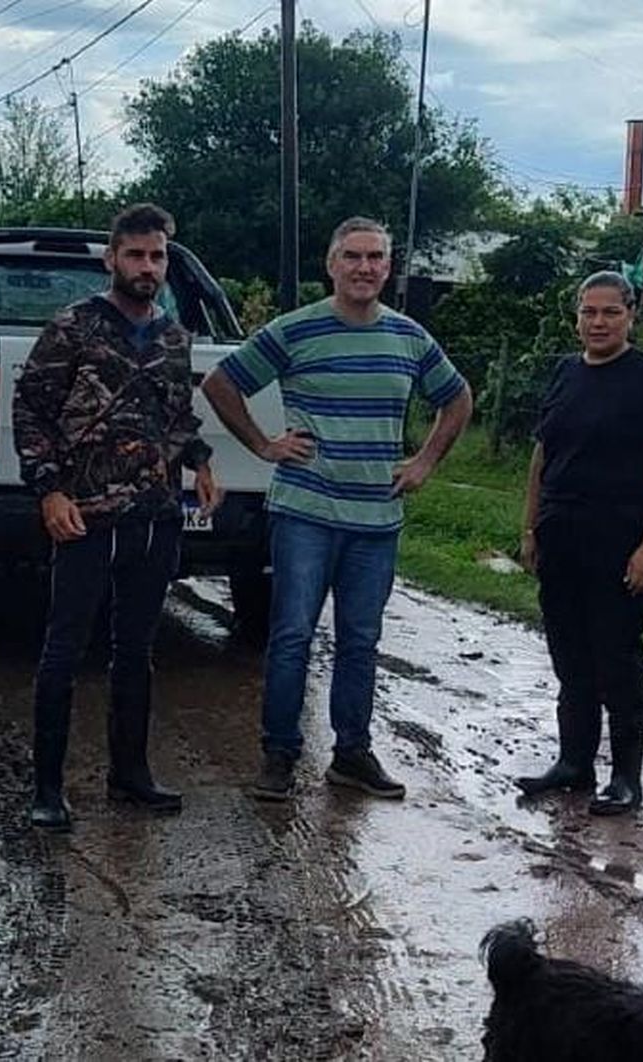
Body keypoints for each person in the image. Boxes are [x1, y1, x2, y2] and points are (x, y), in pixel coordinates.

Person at [202, 217, 473, 801]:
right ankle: (279, 755)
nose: (364, 267)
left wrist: (424, 461)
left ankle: (351, 753)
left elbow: (457, 397)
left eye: (376, 257)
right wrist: (263, 445)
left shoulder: (409, 337)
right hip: (306, 510)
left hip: (376, 519)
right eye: (352, 256)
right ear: (331, 264)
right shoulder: (295, 330)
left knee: (359, 639)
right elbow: (222, 383)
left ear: (388, 266)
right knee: (293, 633)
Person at [11, 203, 220, 832]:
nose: (147, 267)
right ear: (111, 260)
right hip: (85, 514)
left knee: (138, 648)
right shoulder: (73, 328)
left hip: (154, 515)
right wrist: (48, 491)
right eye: (135, 255)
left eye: (157, 256)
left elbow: (177, 415)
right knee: (64, 649)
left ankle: (129, 773)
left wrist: (202, 462)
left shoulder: (173, 337)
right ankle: (47, 787)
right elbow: (31, 413)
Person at [515, 271, 643, 816]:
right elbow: (542, 457)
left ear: (630, 314)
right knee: (570, 656)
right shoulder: (566, 374)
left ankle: (626, 777)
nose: (598, 322)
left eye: (609, 312)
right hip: (561, 535)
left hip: (620, 540)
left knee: (615, 657)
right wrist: (529, 528)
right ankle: (574, 763)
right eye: (588, 312)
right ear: (577, 318)